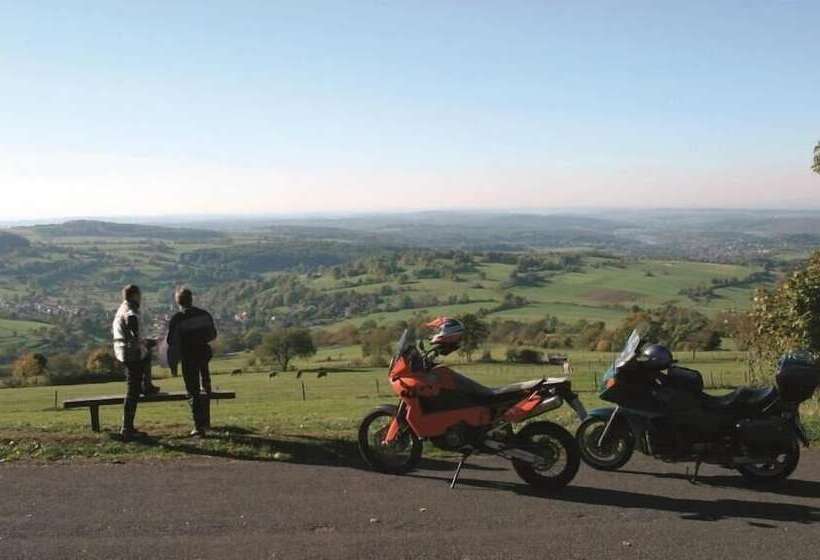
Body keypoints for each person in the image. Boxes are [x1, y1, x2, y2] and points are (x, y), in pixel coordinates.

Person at [167, 287, 217, 437]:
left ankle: (198, 426)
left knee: (193, 391)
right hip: (204, 353)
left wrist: (173, 364)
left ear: (178, 302)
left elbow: (171, 342)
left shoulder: (178, 319)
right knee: (204, 381)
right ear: (191, 299)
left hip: (188, 357)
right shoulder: (204, 314)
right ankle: (207, 386)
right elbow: (213, 334)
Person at [112, 285, 158, 441]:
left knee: (147, 354)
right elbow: (131, 320)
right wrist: (139, 338)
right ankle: (127, 428)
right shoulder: (130, 309)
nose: (141, 298)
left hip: (125, 350)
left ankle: (148, 386)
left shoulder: (122, 307)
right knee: (132, 390)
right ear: (135, 295)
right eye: (139, 295)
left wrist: (144, 342)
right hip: (131, 352)